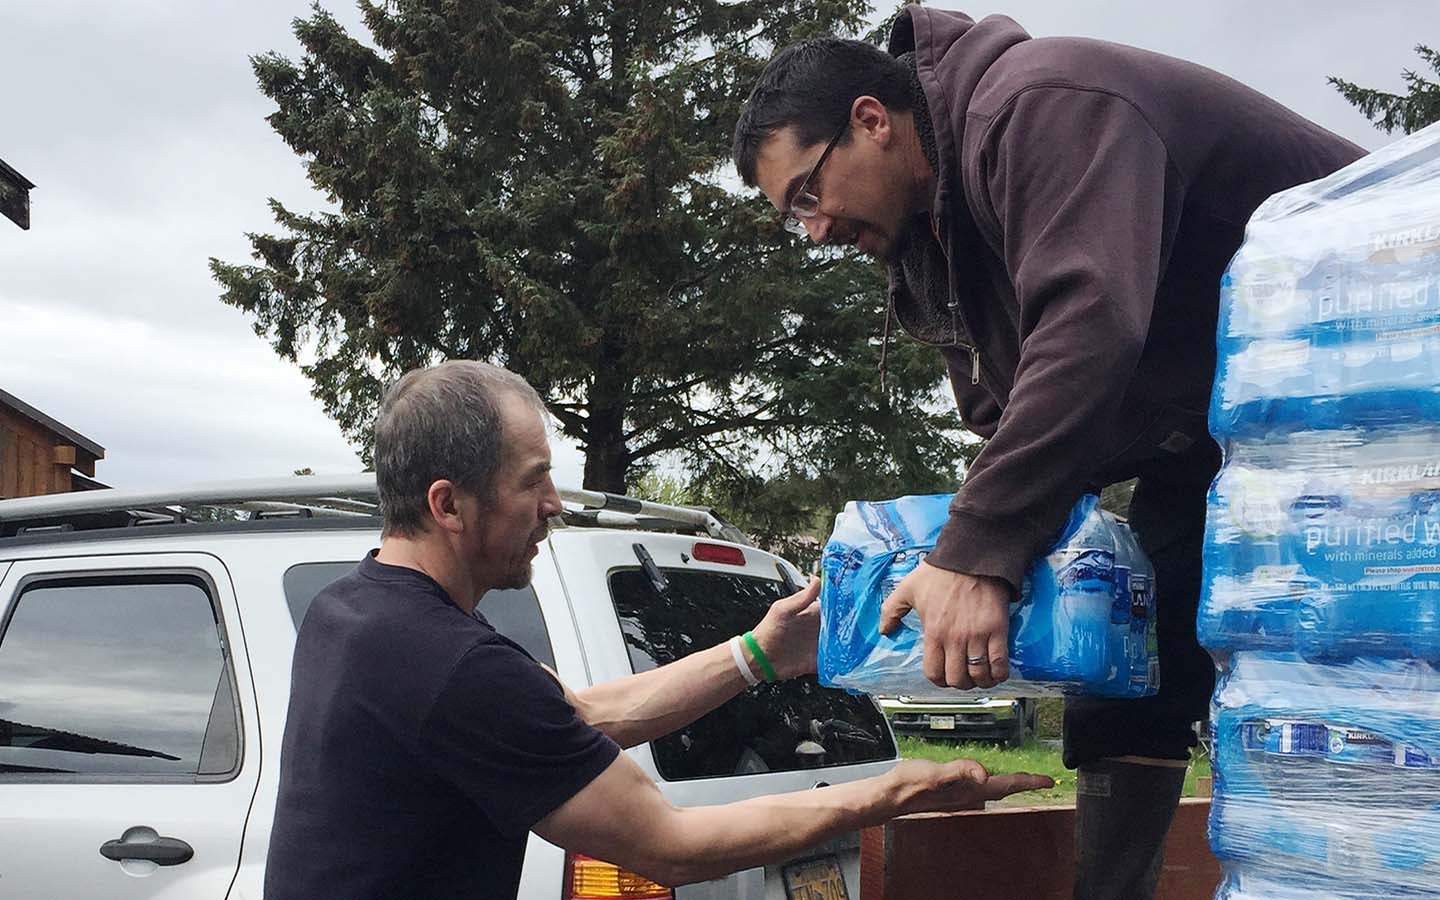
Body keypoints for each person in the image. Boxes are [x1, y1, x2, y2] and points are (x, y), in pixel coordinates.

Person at [732, 8, 1365, 899]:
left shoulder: (1043, 107)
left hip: (1372, 397)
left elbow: (1089, 324)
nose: (815, 230)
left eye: (807, 193)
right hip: (1225, 445)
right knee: (1122, 676)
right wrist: (974, 563)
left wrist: (976, 555)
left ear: (872, 120)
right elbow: (1009, 419)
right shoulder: (936, 247)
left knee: (1349, 673)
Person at [262, 359, 1050, 900]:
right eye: (534, 482)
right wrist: (890, 790)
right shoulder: (450, 665)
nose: (556, 506)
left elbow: (580, 717)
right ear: (448, 505)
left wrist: (759, 656)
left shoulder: (356, 611)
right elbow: (668, 844)